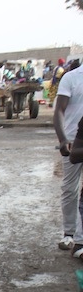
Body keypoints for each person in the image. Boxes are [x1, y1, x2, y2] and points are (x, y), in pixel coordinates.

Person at [53, 63, 83, 256]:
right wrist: (63, 139)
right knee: (70, 188)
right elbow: (59, 111)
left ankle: (80, 239)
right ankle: (69, 233)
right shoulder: (71, 78)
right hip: (75, 141)